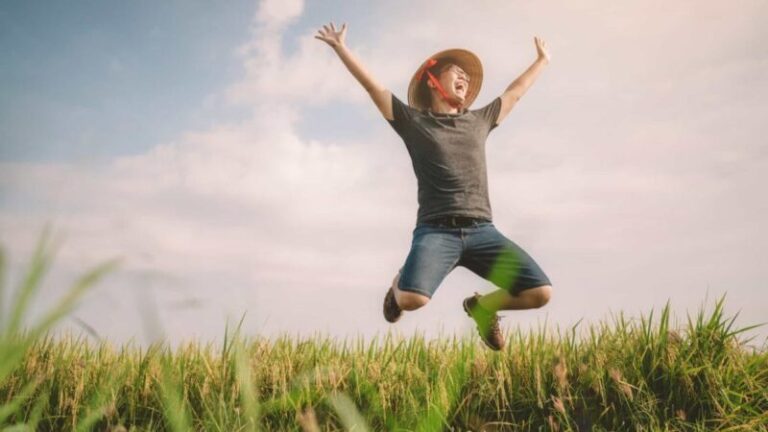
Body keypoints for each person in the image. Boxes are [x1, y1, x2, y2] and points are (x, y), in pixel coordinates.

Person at [315, 22, 552, 351]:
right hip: (436, 232)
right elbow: (374, 89)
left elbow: (514, 93)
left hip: (483, 231)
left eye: (467, 78)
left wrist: (542, 61)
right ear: (432, 80)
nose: (465, 79)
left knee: (539, 293)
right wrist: (342, 48)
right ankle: (399, 285)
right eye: (456, 71)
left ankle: (482, 308)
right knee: (413, 299)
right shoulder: (414, 123)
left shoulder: (479, 121)